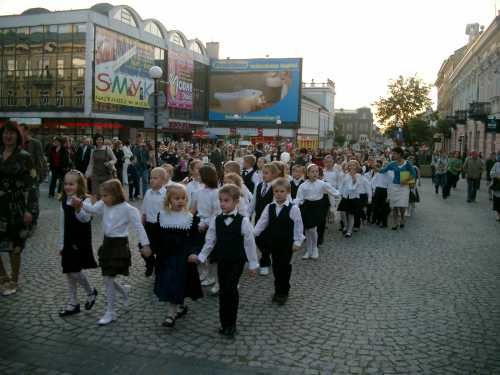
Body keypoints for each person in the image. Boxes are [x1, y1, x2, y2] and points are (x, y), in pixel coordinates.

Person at [189, 184, 258, 338]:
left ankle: (231, 324)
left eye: (226, 201)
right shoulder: (216, 219)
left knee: (231, 289)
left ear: (235, 202)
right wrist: (201, 256)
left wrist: (253, 264)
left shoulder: (243, 221)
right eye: (220, 200)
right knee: (223, 291)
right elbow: (210, 240)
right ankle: (224, 323)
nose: (222, 204)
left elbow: (249, 243)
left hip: (237, 261)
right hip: (222, 260)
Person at [80, 179, 151, 325]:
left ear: (116, 194)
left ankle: (110, 312)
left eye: (106, 196)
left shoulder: (128, 209)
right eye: (102, 196)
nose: (103, 199)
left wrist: (145, 245)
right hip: (107, 244)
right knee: (108, 278)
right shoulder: (103, 204)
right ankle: (123, 291)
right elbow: (92, 209)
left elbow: (139, 227)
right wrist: (80, 203)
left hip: (119, 245)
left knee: (108, 279)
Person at [154, 184, 203, 327]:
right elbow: (157, 236)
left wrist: (194, 252)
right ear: (169, 200)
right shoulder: (162, 216)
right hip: (166, 257)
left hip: (182, 257)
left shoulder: (189, 218)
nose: (180, 201)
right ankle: (175, 310)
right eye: (177, 198)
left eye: (183, 198)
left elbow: (195, 238)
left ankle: (173, 311)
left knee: (178, 282)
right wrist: (153, 249)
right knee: (170, 282)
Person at [0, 121, 39, 296]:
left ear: (18, 136)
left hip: (15, 206)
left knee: (14, 245)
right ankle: (3, 277)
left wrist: (30, 210)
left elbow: (32, 185)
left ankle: (14, 280)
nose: (8, 136)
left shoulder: (24, 157)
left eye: (12, 133)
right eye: (5, 133)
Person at [254, 178, 304, 305]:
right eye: (276, 191)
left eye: (282, 191)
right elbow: (261, 223)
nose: (279, 194)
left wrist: (298, 241)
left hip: (288, 244)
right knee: (276, 267)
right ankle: (277, 290)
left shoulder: (293, 209)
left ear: (288, 192)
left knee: (285, 267)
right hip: (274, 243)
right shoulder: (269, 207)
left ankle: (284, 291)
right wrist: (253, 234)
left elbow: (298, 226)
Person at [57, 170, 98, 317]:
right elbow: (62, 223)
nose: (68, 187)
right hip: (68, 240)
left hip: (80, 241)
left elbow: (86, 219)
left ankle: (90, 291)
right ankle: (73, 302)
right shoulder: (63, 200)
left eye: (71, 184)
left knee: (74, 270)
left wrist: (78, 208)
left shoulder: (85, 200)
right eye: (66, 184)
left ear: (79, 185)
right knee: (68, 272)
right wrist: (61, 243)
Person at [295, 164, 339, 257]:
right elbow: (299, 198)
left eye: (316, 171)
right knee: (307, 229)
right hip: (306, 207)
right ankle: (308, 249)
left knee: (313, 229)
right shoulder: (303, 185)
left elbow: (332, 191)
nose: (315, 173)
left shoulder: (322, 183)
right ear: (307, 173)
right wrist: (294, 205)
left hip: (317, 207)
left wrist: (338, 195)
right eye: (312, 171)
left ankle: (315, 248)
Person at [191, 165, 220, 290]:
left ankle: (213, 276)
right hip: (198, 223)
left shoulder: (216, 193)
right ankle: (205, 273)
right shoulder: (198, 192)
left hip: (211, 224)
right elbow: (192, 209)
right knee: (199, 249)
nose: (198, 176)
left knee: (212, 252)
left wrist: (206, 223)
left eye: (200, 174)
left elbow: (216, 212)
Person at [251, 163, 279, 275]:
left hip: (270, 219)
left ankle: (265, 262)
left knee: (267, 240)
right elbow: (253, 201)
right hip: (258, 217)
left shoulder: (275, 187)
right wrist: (248, 214)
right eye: (263, 173)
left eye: (266, 173)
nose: (264, 175)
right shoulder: (258, 185)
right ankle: (267, 255)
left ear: (273, 174)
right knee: (258, 239)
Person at [379, 147, 416, 230]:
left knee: (402, 206)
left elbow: (413, 174)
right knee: (395, 206)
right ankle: (395, 223)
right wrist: (376, 168)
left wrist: (406, 180)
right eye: (392, 153)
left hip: (404, 187)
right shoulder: (392, 164)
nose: (393, 155)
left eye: (394, 153)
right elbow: (384, 170)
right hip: (394, 186)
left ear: (399, 154)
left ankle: (402, 217)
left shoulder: (407, 164)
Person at [140, 167, 168, 277]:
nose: (151, 180)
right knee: (143, 246)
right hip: (148, 225)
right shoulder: (148, 193)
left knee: (160, 249)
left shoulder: (166, 194)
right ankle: (150, 263)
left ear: (162, 180)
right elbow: (144, 210)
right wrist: (142, 225)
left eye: (155, 178)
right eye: (150, 178)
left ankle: (160, 267)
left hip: (160, 226)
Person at [21, 124, 47, 225]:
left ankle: (33, 220)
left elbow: (40, 160)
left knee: (33, 198)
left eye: (22, 131)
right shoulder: (18, 143)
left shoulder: (35, 143)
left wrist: (40, 175)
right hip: (21, 176)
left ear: (27, 131)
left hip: (32, 175)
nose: (20, 133)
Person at [337, 161, 367, 238]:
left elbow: (353, 188)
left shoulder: (359, 176)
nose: (352, 167)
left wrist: (354, 179)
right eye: (350, 165)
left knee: (351, 215)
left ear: (356, 167)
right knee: (342, 213)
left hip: (354, 197)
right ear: (348, 167)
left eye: (354, 165)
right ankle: (346, 226)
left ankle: (349, 231)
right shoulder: (345, 175)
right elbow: (341, 186)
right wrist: (338, 194)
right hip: (345, 197)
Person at [132, 133, 150, 198]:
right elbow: (134, 156)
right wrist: (134, 161)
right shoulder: (134, 147)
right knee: (137, 181)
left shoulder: (146, 147)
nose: (140, 139)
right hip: (137, 166)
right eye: (138, 138)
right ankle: (137, 194)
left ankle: (145, 195)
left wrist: (149, 163)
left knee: (145, 181)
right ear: (137, 139)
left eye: (141, 138)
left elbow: (148, 156)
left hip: (144, 166)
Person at [489, 152, 500, 221]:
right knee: (498, 201)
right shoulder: (497, 164)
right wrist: (497, 176)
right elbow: (491, 173)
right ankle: (498, 214)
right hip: (498, 186)